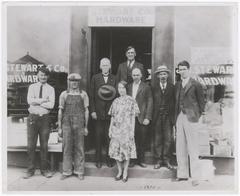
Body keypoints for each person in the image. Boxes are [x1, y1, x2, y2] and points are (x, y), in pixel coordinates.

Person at [174, 60, 206, 186]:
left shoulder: (196, 84)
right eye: (180, 69)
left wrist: (198, 116)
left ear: (188, 69)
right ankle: (182, 174)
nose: (182, 71)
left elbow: (201, 102)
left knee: (193, 147)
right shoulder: (177, 84)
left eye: (184, 69)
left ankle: (196, 176)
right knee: (180, 146)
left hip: (192, 117)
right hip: (179, 116)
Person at [24, 66, 55, 179]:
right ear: (38, 75)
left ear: (48, 76)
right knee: (31, 145)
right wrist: (43, 100)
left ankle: (44, 170)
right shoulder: (32, 87)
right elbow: (29, 101)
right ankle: (30, 170)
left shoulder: (51, 89)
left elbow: (51, 105)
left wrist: (36, 101)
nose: (43, 77)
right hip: (33, 118)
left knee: (44, 145)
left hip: (45, 118)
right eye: (41, 74)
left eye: (45, 75)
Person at [58, 73, 89, 180]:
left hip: (80, 123)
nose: (74, 83)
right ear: (69, 82)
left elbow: (86, 111)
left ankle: (79, 171)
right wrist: (59, 128)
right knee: (67, 147)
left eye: (76, 81)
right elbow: (60, 111)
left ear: (79, 82)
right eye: (72, 81)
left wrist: (86, 127)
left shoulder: (83, 94)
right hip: (66, 123)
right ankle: (66, 171)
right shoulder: (64, 94)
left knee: (79, 147)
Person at [108, 81, 140, 182]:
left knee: (126, 151)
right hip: (116, 129)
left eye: (123, 88)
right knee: (116, 151)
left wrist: (132, 131)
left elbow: (133, 117)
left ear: (126, 89)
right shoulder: (115, 101)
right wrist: (110, 129)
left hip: (127, 129)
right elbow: (112, 116)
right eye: (119, 88)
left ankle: (125, 172)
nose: (121, 90)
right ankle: (119, 171)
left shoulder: (131, 101)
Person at [89, 58, 117, 168]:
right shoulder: (95, 78)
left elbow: (116, 96)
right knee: (98, 137)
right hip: (98, 113)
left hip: (110, 113)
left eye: (107, 65)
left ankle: (109, 159)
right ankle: (98, 160)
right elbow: (91, 96)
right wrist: (93, 111)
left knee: (109, 138)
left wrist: (115, 112)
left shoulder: (114, 78)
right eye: (103, 65)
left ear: (110, 66)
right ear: (100, 67)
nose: (105, 67)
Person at [127, 68, 153, 168]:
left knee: (141, 140)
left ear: (141, 75)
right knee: (132, 139)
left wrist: (148, 117)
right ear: (131, 76)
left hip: (142, 117)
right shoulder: (128, 87)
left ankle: (141, 160)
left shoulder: (146, 87)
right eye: (134, 75)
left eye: (137, 75)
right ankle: (133, 160)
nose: (136, 77)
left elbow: (150, 102)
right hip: (130, 118)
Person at [152, 65, 175, 170]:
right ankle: (158, 160)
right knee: (157, 139)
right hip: (157, 117)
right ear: (157, 76)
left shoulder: (172, 87)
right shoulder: (153, 87)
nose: (163, 76)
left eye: (164, 74)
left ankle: (166, 159)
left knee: (168, 139)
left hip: (168, 117)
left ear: (168, 75)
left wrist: (173, 119)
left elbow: (174, 103)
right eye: (161, 74)